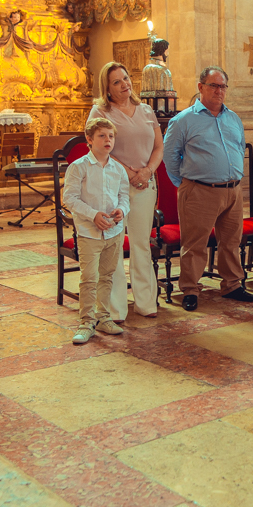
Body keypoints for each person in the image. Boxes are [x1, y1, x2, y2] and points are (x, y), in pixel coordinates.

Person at [161, 66, 253, 311]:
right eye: (214, 85)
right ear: (200, 87)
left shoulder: (232, 118)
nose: (219, 91)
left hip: (233, 190)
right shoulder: (183, 120)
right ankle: (190, 289)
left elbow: (239, 147)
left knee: (231, 241)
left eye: (223, 86)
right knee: (194, 244)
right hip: (199, 190)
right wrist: (185, 184)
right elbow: (170, 156)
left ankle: (232, 284)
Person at [89, 61, 162, 319]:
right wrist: (130, 173)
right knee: (115, 246)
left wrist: (147, 171)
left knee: (142, 244)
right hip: (112, 187)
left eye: (126, 78)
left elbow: (158, 147)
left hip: (145, 185)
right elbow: (99, 148)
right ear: (107, 89)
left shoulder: (145, 110)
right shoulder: (100, 112)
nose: (124, 85)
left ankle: (146, 304)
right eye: (117, 82)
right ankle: (116, 309)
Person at [62, 117, 132, 344]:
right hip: (89, 232)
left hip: (113, 231)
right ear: (89, 140)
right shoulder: (79, 166)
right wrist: (93, 215)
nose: (107, 140)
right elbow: (69, 198)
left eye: (111, 136)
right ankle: (86, 322)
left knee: (107, 275)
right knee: (89, 278)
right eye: (102, 136)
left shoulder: (118, 168)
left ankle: (103, 317)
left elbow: (124, 196)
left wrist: (121, 210)